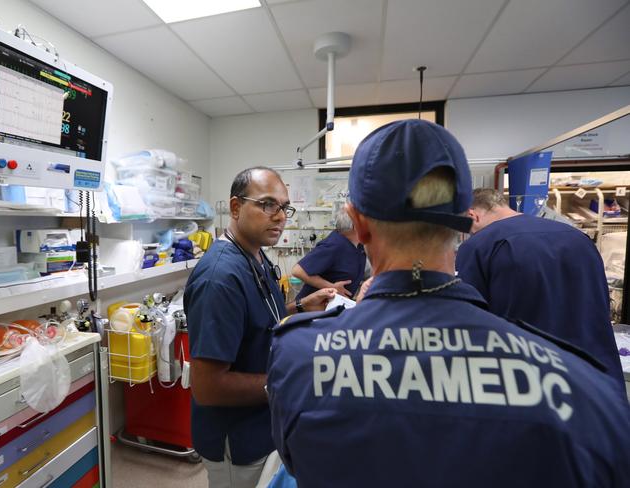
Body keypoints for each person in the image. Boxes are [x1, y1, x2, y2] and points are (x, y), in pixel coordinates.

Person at [266, 120, 630, 487]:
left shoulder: (299, 358)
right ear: (462, 222)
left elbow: (299, 462)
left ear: (359, 225)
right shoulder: (578, 388)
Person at [184, 166, 335, 488]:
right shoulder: (220, 278)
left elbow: (260, 321)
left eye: (284, 207)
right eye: (268, 205)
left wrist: (303, 307)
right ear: (236, 208)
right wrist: (290, 380)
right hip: (235, 439)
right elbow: (208, 386)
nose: (280, 216)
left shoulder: (255, 258)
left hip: (262, 423)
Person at [456, 188, 625, 391]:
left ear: (472, 215)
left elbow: (470, 319)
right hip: (594, 373)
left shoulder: (479, 246)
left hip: (529, 378)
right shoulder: (577, 238)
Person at [291, 207, 366, 299]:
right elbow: (298, 271)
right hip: (314, 308)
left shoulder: (358, 246)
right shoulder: (334, 245)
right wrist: (331, 287)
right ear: (356, 226)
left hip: (336, 306)